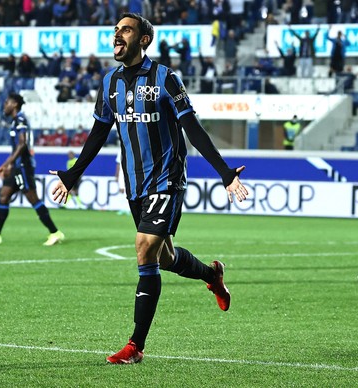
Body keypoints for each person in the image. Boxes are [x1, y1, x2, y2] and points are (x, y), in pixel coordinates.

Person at [49, 13, 248, 364]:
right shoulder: (109, 82)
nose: (117, 35)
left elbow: (193, 129)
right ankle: (211, 275)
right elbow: (98, 134)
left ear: (143, 39)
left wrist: (224, 172)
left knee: (143, 249)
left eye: (125, 30)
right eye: (115, 31)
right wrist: (72, 174)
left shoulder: (165, 79)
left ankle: (135, 346)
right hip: (136, 184)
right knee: (164, 257)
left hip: (167, 178)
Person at [0, 93, 65, 247]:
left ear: (15, 104)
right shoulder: (15, 121)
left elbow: (22, 144)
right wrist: (11, 165)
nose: (4, 106)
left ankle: (55, 232)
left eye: (7, 103)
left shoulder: (20, 119)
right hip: (17, 166)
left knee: (33, 198)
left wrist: (6, 163)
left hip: (23, 166)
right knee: (4, 196)